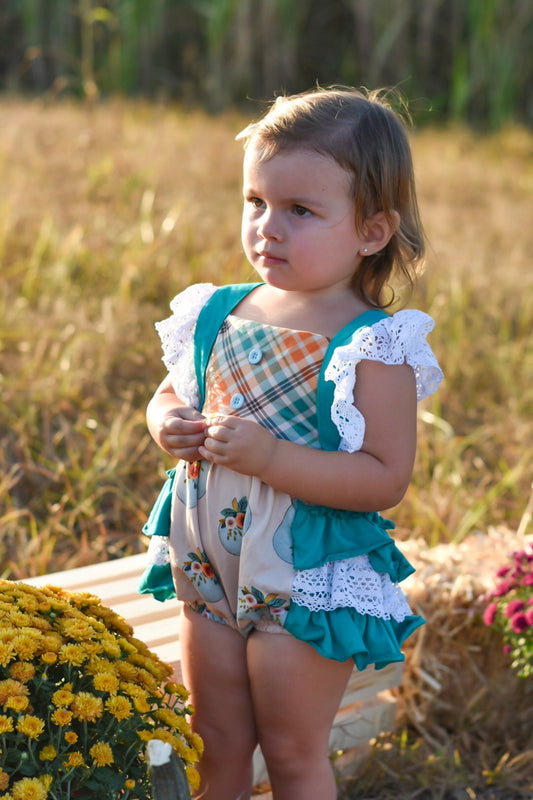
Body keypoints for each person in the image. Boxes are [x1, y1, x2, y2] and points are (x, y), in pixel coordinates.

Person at [140, 87, 443, 800]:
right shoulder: (217, 309)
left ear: (371, 231)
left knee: (290, 750)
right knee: (212, 741)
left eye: (299, 211)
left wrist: (272, 460)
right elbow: (174, 393)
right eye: (255, 202)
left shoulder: (371, 345)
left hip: (304, 578)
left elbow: (382, 477)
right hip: (210, 566)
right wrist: (165, 423)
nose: (266, 228)